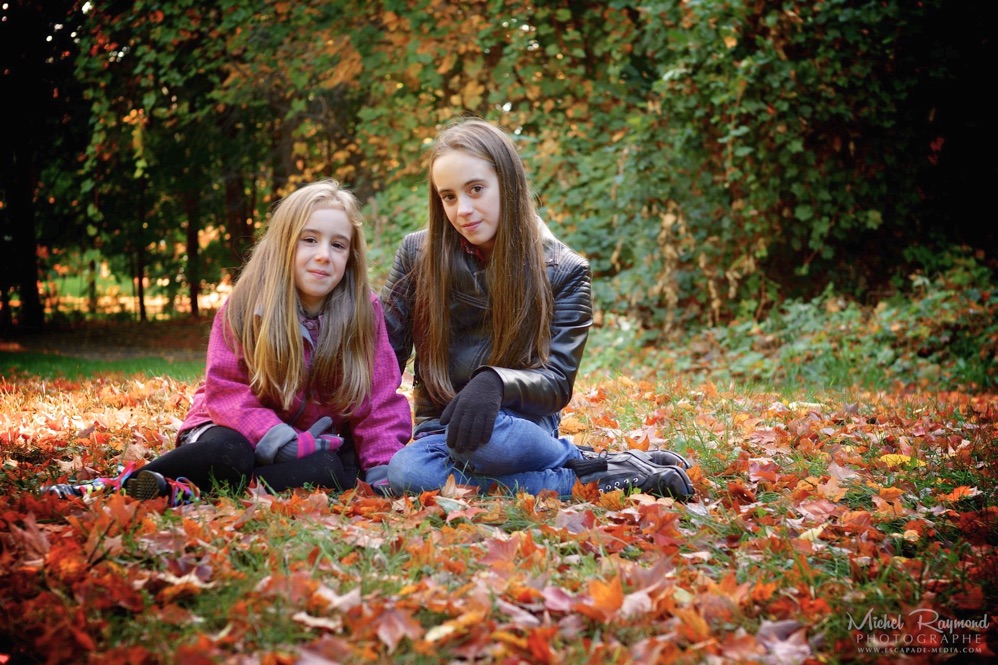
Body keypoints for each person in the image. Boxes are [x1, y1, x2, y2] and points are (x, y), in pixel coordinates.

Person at [381, 118, 695, 500]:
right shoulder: (417, 254)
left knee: (488, 445)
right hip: (441, 433)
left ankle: (572, 458)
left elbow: (557, 383)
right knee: (407, 473)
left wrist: (496, 382)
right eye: (448, 196)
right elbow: (383, 356)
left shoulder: (565, 270)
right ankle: (591, 472)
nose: (463, 209)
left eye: (476, 189)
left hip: (517, 429)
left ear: (508, 184)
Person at [44, 179, 412, 505]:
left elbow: (378, 402)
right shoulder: (247, 306)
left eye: (338, 245)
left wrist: (382, 468)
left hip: (306, 446)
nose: (323, 255)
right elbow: (225, 390)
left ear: (350, 258)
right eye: (310, 240)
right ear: (284, 244)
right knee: (229, 454)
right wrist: (273, 436)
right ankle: (116, 486)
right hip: (229, 429)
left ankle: (189, 492)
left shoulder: (365, 314)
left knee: (332, 469)